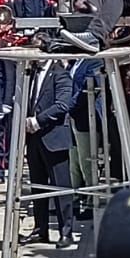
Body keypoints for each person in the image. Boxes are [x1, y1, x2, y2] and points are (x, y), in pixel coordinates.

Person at [24, 59, 76, 247]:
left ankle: (66, 231)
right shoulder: (32, 73)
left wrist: (38, 121)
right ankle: (40, 229)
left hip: (53, 137)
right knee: (38, 187)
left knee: (60, 187)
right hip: (34, 139)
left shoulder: (59, 73)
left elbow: (62, 105)